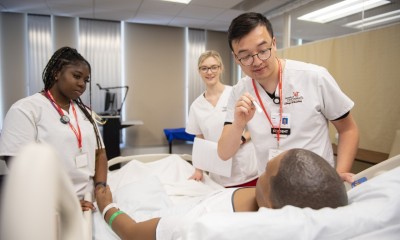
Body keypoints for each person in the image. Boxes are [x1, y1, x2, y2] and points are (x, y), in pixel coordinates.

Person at [217, 12, 359, 183]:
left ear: (274, 44)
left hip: (317, 183)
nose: (256, 61)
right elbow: (224, 153)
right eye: (246, 56)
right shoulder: (239, 91)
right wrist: (239, 124)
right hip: (271, 187)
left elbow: (348, 129)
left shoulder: (314, 77)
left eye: (263, 50)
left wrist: (339, 173)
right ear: (236, 58)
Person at [95, 148, 348, 240]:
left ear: (270, 207)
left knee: (138, 175)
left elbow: (131, 232)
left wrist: (107, 207)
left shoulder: (200, 226)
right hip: (204, 197)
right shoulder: (274, 204)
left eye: (266, 171)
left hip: (169, 214)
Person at [0, 46, 108, 211]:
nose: (82, 84)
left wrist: (100, 187)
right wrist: (63, 202)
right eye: (76, 76)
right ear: (57, 73)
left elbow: (100, 153)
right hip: (48, 204)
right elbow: (19, 165)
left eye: (86, 80)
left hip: (88, 200)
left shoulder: (85, 113)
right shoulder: (25, 109)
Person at [186, 50, 258, 187]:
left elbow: (256, 126)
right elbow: (200, 139)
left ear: (221, 68)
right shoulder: (196, 106)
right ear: (199, 71)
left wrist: (241, 139)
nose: (209, 72)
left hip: (245, 170)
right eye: (204, 68)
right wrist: (198, 169)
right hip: (218, 173)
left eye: (214, 67)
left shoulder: (236, 93)